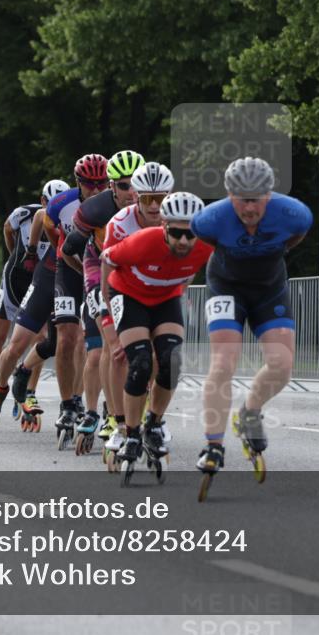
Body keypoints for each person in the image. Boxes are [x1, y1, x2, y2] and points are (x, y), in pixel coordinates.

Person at [189, 157, 312, 481]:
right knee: (224, 363)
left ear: (269, 195)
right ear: (230, 196)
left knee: (282, 366)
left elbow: (295, 236)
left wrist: (267, 254)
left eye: (256, 199)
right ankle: (213, 445)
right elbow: (209, 244)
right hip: (226, 286)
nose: (249, 208)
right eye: (242, 199)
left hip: (269, 289)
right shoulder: (209, 219)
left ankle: (249, 412)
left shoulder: (294, 214)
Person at [0, 155, 109, 445]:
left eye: (101, 183)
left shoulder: (113, 205)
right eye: (89, 184)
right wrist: (29, 251)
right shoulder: (61, 204)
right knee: (20, 342)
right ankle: (0, 387)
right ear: (78, 183)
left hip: (94, 273)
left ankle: (74, 402)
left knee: (81, 340)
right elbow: (43, 220)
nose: (95, 189)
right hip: (59, 270)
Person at [100, 192, 212, 479]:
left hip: (165, 298)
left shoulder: (206, 246)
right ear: (164, 227)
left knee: (171, 361)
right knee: (140, 363)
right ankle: (132, 432)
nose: (185, 242)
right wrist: (107, 316)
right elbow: (106, 260)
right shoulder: (141, 242)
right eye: (177, 234)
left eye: (190, 234)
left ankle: (153, 424)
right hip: (129, 294)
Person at [58, 150, 145, 454]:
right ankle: (103, 415)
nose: (131, 192)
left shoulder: (157, 205)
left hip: (134, 269)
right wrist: (88, 279)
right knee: (108, 346)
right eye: (123, 186)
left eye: (137, 183)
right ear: (111, 187)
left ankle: (133, 409)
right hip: (98, 265)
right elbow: (68, 250)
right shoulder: (94, 210)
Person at [0, 180, 67, 436]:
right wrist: (16, 255)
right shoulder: (26, 213)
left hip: (42, 282)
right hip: (15, 278)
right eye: (50, 204)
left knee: (41, 337)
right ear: (43, 201)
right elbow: (7, 229)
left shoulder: (70, 219)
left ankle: (28, 392)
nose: (55, 210)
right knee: (0, 335)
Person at [97, 162, 174, 459]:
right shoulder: (119, 224)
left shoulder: (177, 219)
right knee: (119, 353)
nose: (155, 207)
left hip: (157, 289)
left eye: (161, 199)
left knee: (162, 355)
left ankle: (152, 417)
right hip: (119, 288)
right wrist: (113, 320)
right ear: (136, 198)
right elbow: (108, 272)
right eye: (147, 200)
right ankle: (118, 424)